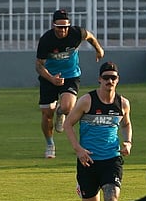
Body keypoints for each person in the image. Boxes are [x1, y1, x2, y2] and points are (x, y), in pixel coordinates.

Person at [63, 62, 132, 201]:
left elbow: (127, 124)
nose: (110, 81)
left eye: (114, 77)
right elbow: (68, 124)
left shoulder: (123, 103)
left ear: (117, 80)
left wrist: (128, 141)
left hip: (112, 159)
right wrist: (78, 149)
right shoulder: (86, 101)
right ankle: (82, 186)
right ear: (99, 79)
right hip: (88, 161)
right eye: (106, 77)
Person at [35, 8, 105, 159]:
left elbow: (90, 37)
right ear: (53, 26)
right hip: (49, 77)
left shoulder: (76, 33)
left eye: (65, 27)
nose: (62, 31)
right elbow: (39, 65)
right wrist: (52, 79)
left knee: (67, 107)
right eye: (59, 28)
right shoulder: (46, 40)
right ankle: (49, 144)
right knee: (47, 113)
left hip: (70, 75)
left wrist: (99, 50)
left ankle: (61, 112)